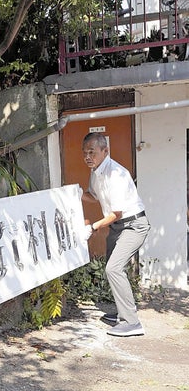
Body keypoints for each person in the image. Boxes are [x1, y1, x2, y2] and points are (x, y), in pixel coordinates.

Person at [81, 132, 150, 337]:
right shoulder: (95, 172)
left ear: (105, 151)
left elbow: (116, 213)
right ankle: (123, 312)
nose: (87, 157)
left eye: (92, 152)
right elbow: (93, 196)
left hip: (133, 225)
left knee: (113, 268)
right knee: (113, 267)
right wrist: (75, 194)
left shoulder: (116, 174)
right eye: (84, 152)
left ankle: (132, 323)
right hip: (118, 227)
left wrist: (93, 227)